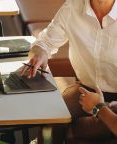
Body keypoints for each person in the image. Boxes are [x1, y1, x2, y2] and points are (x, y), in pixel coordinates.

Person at [21, 0, 117, 142]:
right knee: (53, 121)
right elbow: (45, 42)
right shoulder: (73, 6)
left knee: (79, 132)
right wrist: (41, 52)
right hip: (86, 89)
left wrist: (99, 107)